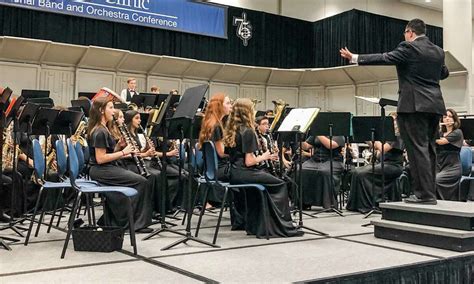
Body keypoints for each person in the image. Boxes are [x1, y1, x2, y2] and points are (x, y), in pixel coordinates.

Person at [340, 18, 449, 205]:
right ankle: (430, 192)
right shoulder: (438, 51)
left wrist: (356, 57)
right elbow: (444, 73)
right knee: (430, 149)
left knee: (417, 150)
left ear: (410, 32)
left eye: (405, 34)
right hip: (435, 106)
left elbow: (386, 57)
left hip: (413, 106)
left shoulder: (408, 48)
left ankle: (424, 195)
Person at [224, 98, 302, 238]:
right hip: (244, 172)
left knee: (261, 187)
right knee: (280, 183)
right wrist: (265, 156)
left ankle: (257, 226)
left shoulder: (232, 129)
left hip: (234, 172)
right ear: (247, 112)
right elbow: (249, 162)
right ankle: (281, 226)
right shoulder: (247, 131)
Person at [87, 97, 153, 233]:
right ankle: (135, 224)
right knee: (141, 182)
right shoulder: (100, 131)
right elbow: (100, 159)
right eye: (110, 108)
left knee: (140, 179)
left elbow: (108, 153)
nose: (113, 111)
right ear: (101, 110)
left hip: (106, 167)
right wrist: (124, 152)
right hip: (101, 169)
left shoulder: (103, 128)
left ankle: (122, 219)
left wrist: (118, 147)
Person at [346, 113, 405, 213]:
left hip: (393, 166)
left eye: (394, 121)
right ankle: (356, 205)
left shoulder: (399, 136)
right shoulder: (387, 135)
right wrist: (367, 137)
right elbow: (377, 151)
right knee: (356, 171)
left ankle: (368, 204)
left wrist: (373, 138)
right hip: (382, 164)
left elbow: (383, 148)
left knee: (362, 173)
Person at [435, 109, 463, 201]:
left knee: (436, 180)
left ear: (455, 119)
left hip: (452, 167)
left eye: (450, 116)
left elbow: (441, 142)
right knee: (427, 181)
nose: (447, 118)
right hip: (439, 165)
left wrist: (431, 130)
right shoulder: (440, 133)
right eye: (444, 117)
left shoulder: (457, 132)